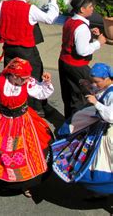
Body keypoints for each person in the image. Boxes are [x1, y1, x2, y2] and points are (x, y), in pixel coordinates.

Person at [0, 58, 54, 198]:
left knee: (28, 153)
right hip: (2, 120)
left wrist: (46, 83)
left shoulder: (28, 83)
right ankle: (3, 182)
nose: (27, 80)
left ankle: (26, 184)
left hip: (23, 121)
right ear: (13, 76)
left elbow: (41, 92)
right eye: (23, 78)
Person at [0, 0, 59, 116]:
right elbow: (50, 18)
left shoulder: (3, 6)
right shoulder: (30, 9)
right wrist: (53, 0)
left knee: (11, 77)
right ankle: (34, 108)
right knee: (32, 76)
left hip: (9, 49)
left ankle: (11, 103)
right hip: (26, 50)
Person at [52, 63, 112, 197]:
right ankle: (101, 193)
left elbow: (111, 116)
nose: (95, 85)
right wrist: (88, 86)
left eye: (97, 82)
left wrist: (96, 104)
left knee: (106, 162)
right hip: (100, 126)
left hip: (108, 130)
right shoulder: (106, 87)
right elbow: (98, 92)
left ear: (107, 78)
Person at [58, 0, 106, 118]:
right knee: (81, 96)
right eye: (90, 6)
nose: (92, 9)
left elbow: (74, 37)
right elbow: (82, 51)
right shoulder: (81, 28)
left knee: (68, 94)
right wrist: (98, 43)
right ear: (82, 9)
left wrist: (89, 33)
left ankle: (68, 120)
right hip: (76, 66)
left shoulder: (70, 20)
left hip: (64, 62)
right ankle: (77, 125)